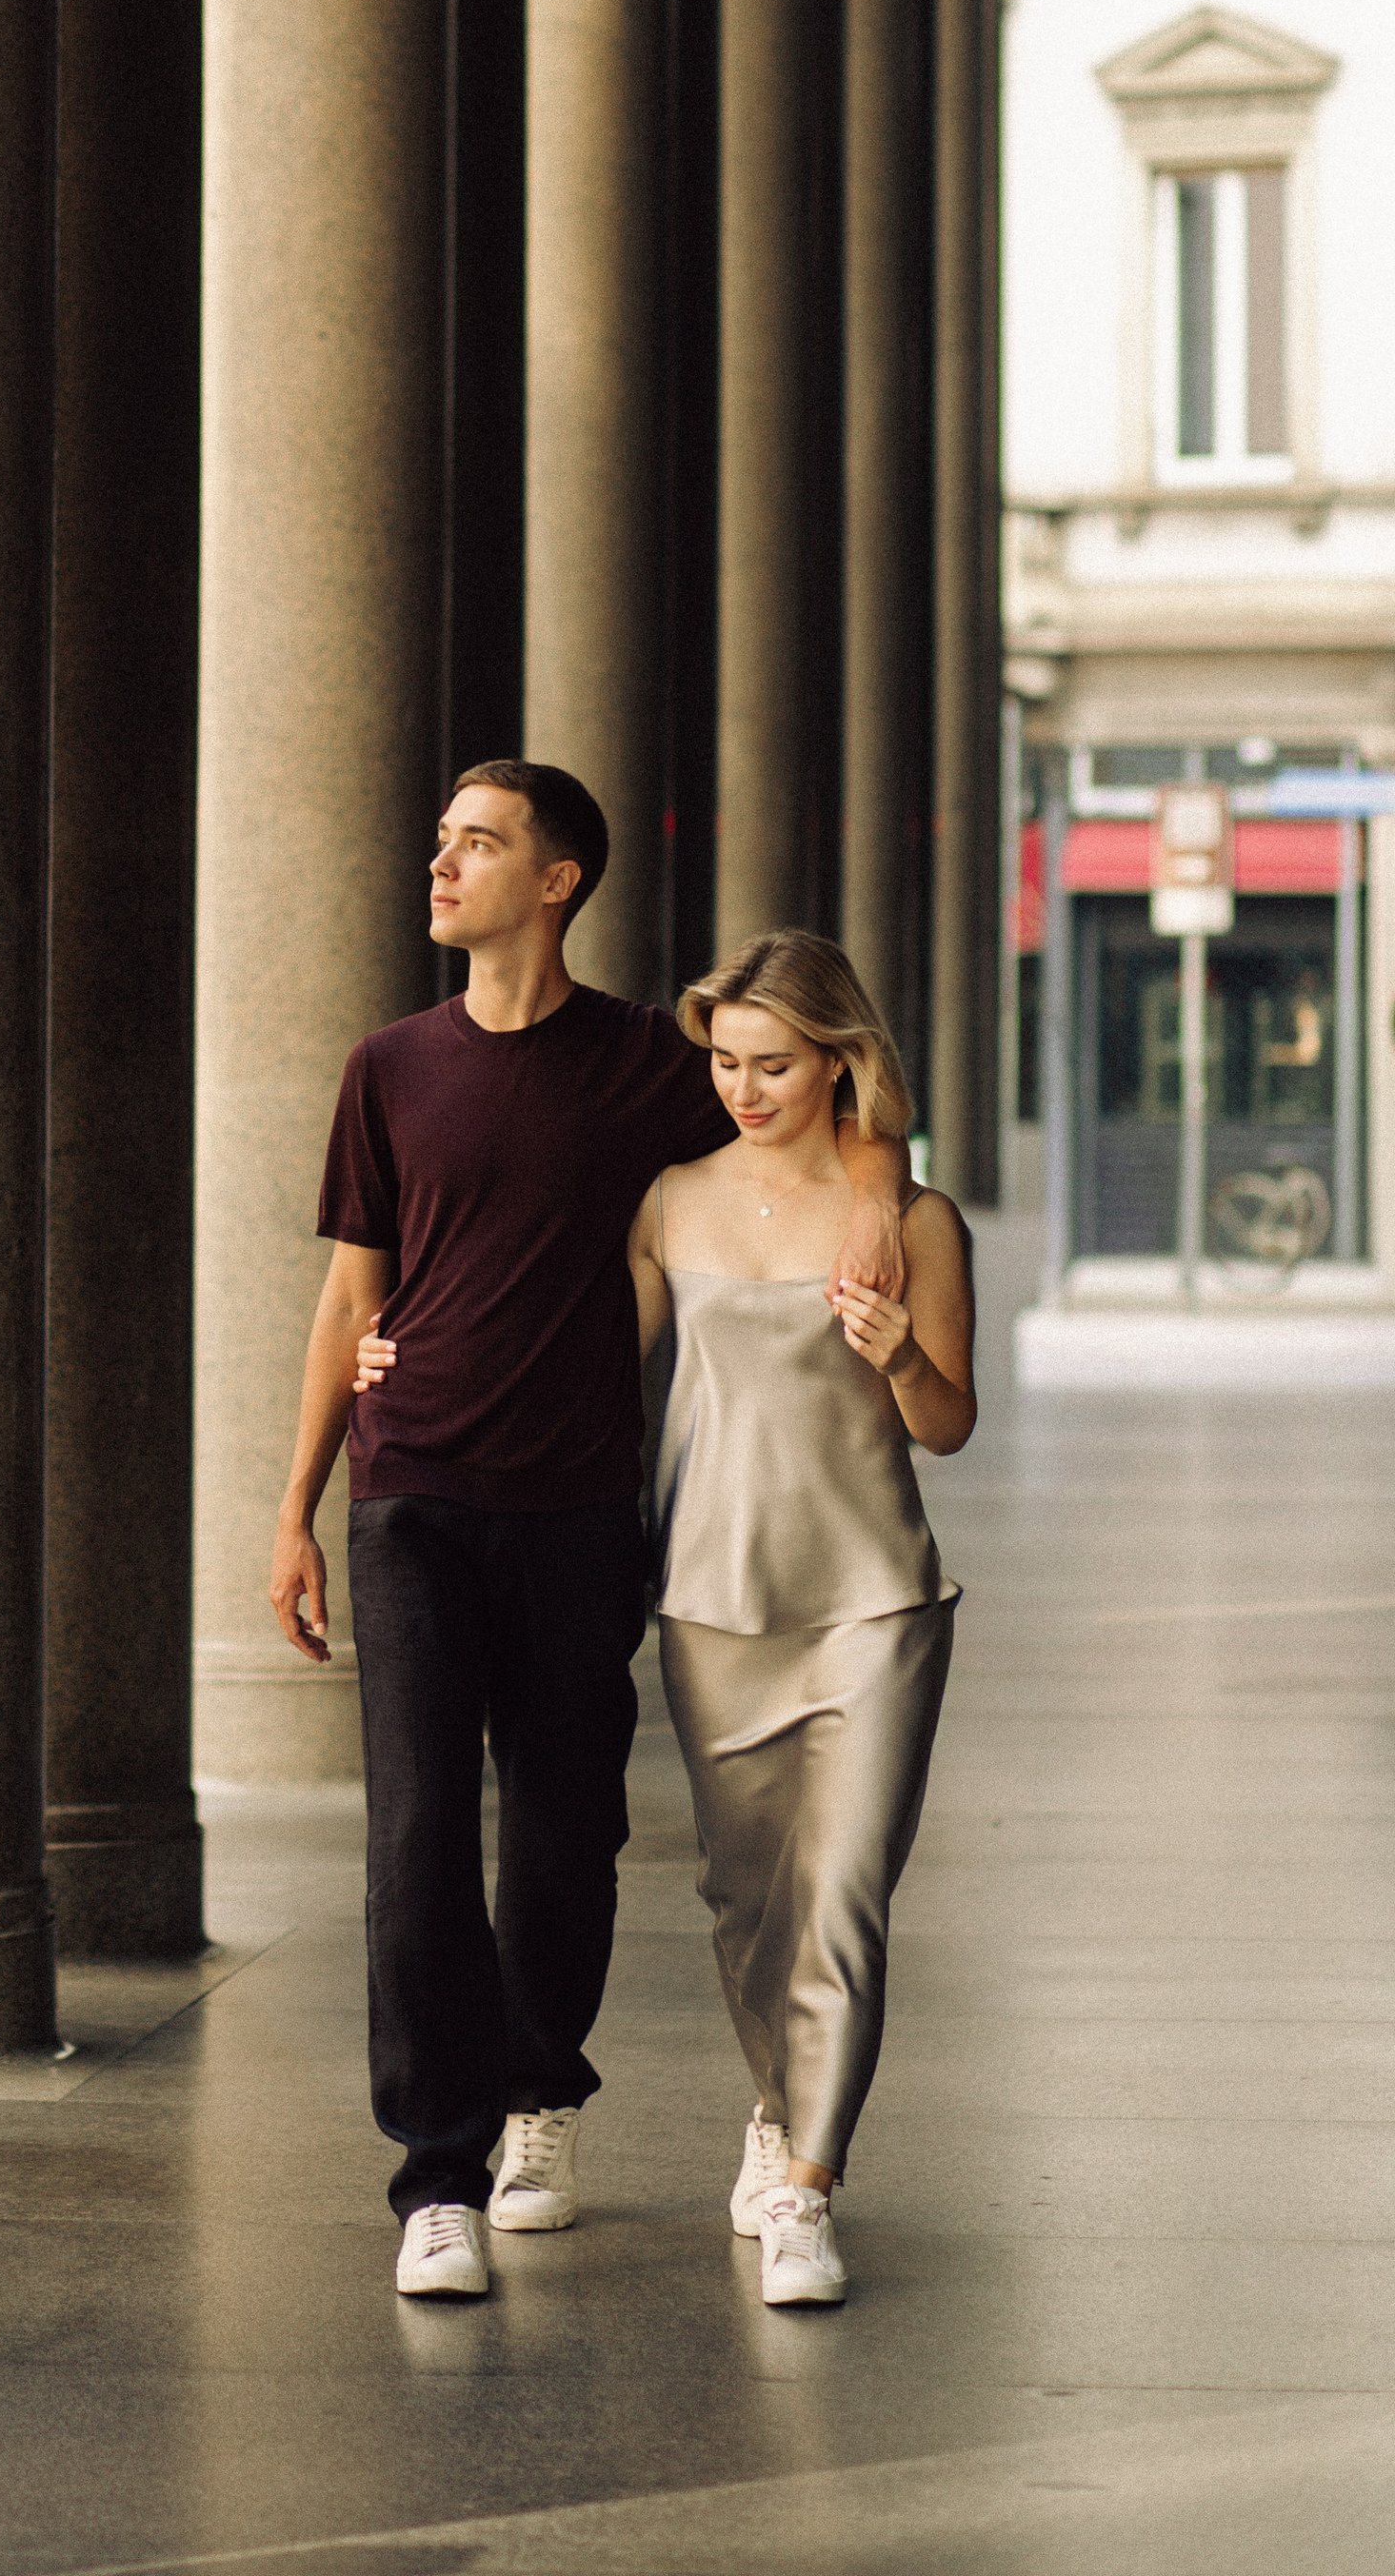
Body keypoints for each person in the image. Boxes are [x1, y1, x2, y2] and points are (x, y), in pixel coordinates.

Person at [271, 763, 911, 2303]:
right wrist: (292, 1509)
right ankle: (436, 2180)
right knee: (418, 1840)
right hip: (411, 1494)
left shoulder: (646, 1061)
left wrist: (885, 1198)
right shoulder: (387, 1067)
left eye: (478, 843)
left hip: (575, 1508)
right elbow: (353, 1297)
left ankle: (538, 2100)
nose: (441, 863)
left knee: (567, 1833)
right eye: (441, 840)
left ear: (557, 880)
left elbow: (823, 1095)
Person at [635, 930, 973, 2308]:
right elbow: (589, 1368)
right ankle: (777, 2111)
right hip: (712, 1597)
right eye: (725, 1063)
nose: (744, 1089)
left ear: (840, 1059)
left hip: (874, 1600)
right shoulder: (669, 1199)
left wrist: (900, 1357)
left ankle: (809, 2190)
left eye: (773, 1063)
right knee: (747, 1900)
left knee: (842, 1898)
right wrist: (398, 1358)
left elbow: (947, 1426)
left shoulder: (915, 1220)